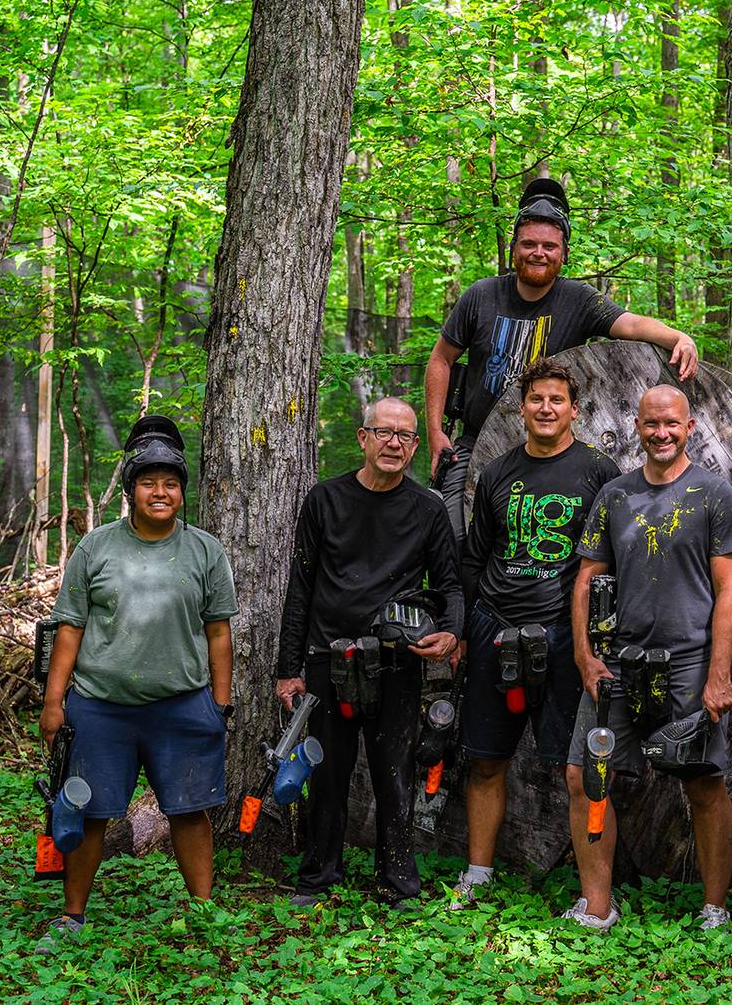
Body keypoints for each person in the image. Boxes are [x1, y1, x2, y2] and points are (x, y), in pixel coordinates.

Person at [37, 416, 237, 948]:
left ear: (181, 491)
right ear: (130, 491)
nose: (160, 492)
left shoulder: (205, 551)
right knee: (91, 810)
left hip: (183, 704)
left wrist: (220, 703)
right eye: (148, 482)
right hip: (102, 707)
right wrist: (55, 702)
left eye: (170, 483)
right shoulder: (95, 548)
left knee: (189, 812)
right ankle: (72, 916)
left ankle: (204, 915)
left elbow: (219, 632)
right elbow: (70, 629)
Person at [562, 384, 732, 931]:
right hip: (619, 662)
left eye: (671, 424)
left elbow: (730, 588)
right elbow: (586, 579)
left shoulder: (715, 494)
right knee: (583, 775)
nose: (661, 433)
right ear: (637, 428)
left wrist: (719, 673)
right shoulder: (615, 496)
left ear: (689, 427)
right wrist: (586, 657)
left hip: (690, 663)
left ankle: (715, 906)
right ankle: (597, 905)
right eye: (650, 424)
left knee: (704, 781)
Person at [424, 178, 698, 539]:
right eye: (529, 244)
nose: (538, 252)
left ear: (563, 253)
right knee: (451, 534)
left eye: (549, 246)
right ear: (514, 249)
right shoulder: (481, 295)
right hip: (476, 443)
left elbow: (630, 323)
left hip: (550, 451)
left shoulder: (578, 300)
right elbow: (441, 359)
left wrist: (678, 336)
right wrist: (433, 435)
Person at [274, 397, 463, 909]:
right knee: (327, 773)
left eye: (404, 436)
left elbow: (451, 585)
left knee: (393, 775)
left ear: (415, 447)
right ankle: (317, 877)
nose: (394, 443)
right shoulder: (325, 500)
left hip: (397, 661)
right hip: (328, 658)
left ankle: (398, 883)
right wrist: (288, 671)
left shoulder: (427, 509)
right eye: (384, 433)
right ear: (363, 438)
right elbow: (300, 588)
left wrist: (450, 633)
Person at [447, 359, 620, 908]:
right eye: (536, 399)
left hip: (565, 636)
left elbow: (610, 562)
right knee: (485, 760)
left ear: (574, 409)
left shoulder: (599, 472)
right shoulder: (496, 472)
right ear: (522, 407)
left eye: (557, 400)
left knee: (578, 770)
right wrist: (467, 630)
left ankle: (596, 896)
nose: (546, 409)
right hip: (496, 624)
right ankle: (477, 874)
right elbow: (475, 558)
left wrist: (598, 639)